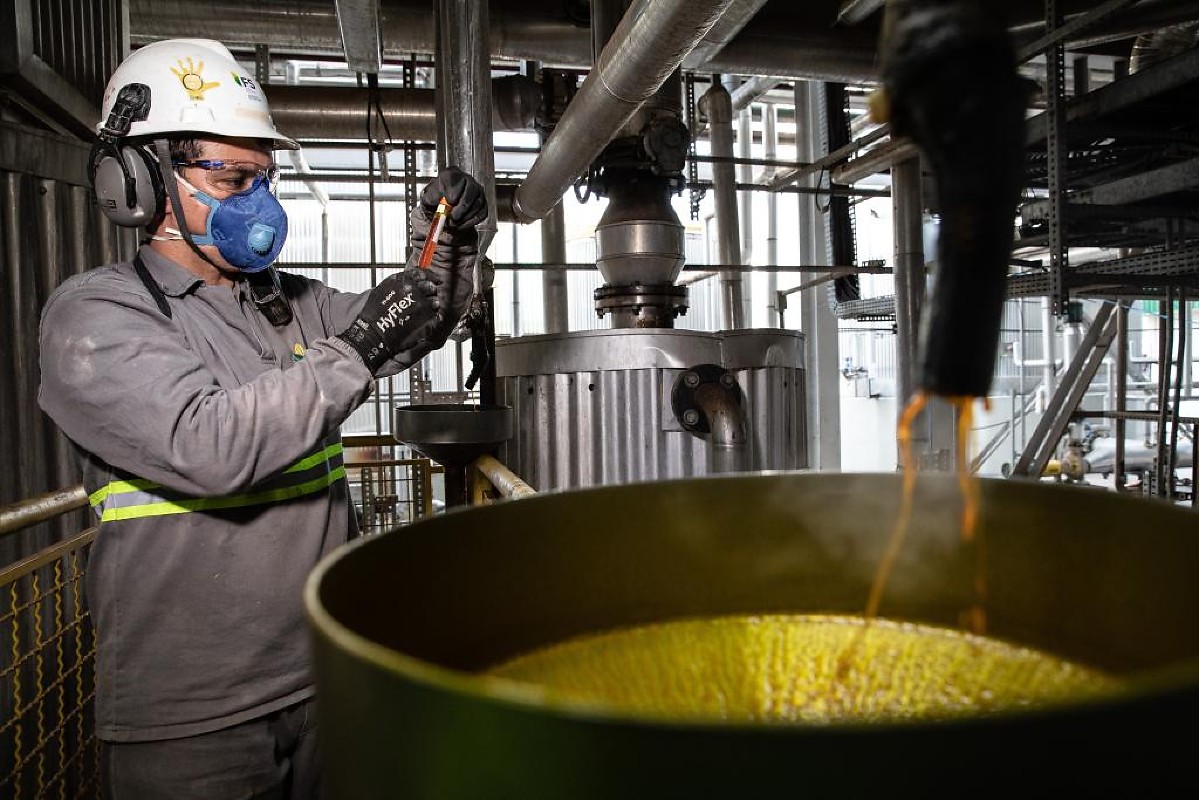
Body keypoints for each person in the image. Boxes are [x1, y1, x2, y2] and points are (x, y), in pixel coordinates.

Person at [37, 38, 487, 799]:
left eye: (265, 179)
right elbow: (209, 445)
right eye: (232, 179)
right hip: (194, 716)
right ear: (138, 180)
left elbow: (413, 323)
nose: (260, 203)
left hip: (325, 680)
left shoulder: (287, 302)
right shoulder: (97, 315)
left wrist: (448, 243)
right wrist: (359, 346)